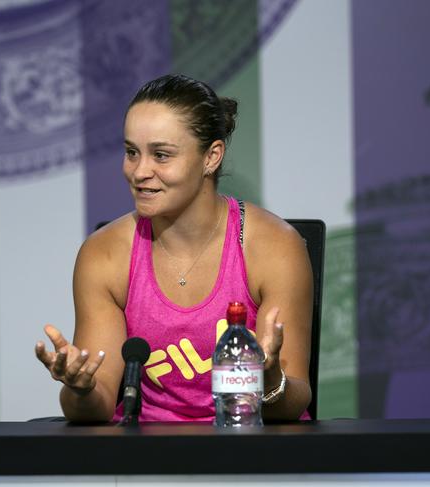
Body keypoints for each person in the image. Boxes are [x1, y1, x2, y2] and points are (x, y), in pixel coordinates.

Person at [35, 74, 313, 422]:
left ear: (211, 157)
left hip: (249, 458)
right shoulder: (104, 255)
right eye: (131, 153)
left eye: (161, 155)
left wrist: (270, 377)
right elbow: (96, 407)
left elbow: (293, 402)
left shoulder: (275, 246)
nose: (139, 172)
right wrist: (80, 389)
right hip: (152, 464)